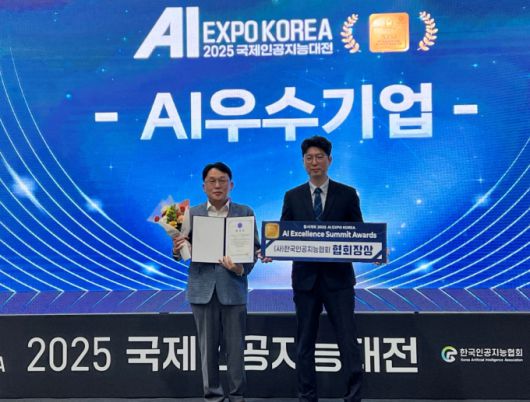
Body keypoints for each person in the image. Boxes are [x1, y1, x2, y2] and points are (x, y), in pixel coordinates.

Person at [281, 136, 364, 402]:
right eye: (309, 158)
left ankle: (353, 397)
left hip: (339, 281)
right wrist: (270, 251)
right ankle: (307, 396)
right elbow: (283, 234)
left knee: (347, 340)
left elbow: (360, 233)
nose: (314, 162)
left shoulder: (347, 194)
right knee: (305, 342)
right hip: (305, 281)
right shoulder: (292, 196)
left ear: (330, 160)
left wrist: (374, 250)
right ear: (303, 162)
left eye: (319, 157)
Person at [173, 162, 259, 402]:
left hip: (233, 288)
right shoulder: (189, 214)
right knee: (207, 350)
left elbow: (254, 250)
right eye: (212, 181)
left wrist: (240, 269)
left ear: (231, 185)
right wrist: (177, 249)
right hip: (202, 290)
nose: (217, 185)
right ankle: (213, 396)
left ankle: (237, 396)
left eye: (222, 180)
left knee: (236, 350)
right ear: (204, 186)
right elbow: (180, 252)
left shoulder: (245, 212)